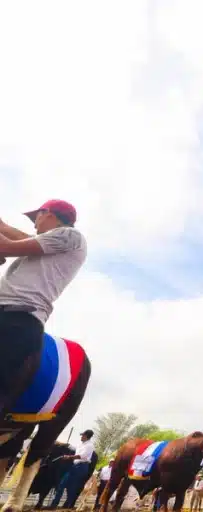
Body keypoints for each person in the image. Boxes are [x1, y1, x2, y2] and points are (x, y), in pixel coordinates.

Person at [0, 199, 87, 417]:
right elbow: (17, 236)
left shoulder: (71, 235)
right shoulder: (52, 245)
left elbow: (6, 245)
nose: (34, 224)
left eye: (36, 217)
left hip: (16, 320)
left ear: (48, 214)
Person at [49, 429, 96, 509]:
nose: (81, 436)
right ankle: (53, 506)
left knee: (72, 488)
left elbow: (82, 456)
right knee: (61, 485)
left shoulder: (90, 445)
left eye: (83, 435)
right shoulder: (81, 444)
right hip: (75, 466)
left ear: (86, 436)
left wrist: (69, 457)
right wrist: (61, 443)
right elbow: (73, 447)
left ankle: (68, 507)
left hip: (82, 467)